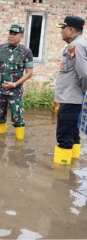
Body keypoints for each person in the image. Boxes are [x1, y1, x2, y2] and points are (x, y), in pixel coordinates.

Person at [0, 24, 33, 140]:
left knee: (17, 117)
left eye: (14, 34)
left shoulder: (26, 52)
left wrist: (15, 84)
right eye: (10, 33)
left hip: (15, 91)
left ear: (21, 36)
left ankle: (19, 146)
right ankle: (0, 143)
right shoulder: (0, 48)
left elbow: (29, 73)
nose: (11, 36)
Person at [56, 16, 87, 163]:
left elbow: (84, 73)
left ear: (71, 30)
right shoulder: (77, 44)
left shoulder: (76, 46)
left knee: (64, 137)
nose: (61, 31)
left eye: (63, 28)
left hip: (71, 99)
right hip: (72, 99)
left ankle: (61, 176)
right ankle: (72, 173)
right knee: (73, 135)